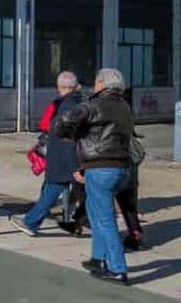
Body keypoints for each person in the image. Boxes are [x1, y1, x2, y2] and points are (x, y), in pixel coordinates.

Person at [55, 68, 134, 285]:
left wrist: (70, 136)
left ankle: (118, 268)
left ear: (101, 84)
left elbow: (63, 122)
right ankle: (98, 258)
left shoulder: (92, 104)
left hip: (100, 167)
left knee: (105, 218)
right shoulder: (124, 106)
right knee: (94, 210)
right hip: (121, 167)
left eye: (97, 82)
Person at [10, 71, 83, 235]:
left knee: (53, 189)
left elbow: (66, 139)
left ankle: (31, 222)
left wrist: (72, 166)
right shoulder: (77, 103)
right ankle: (75, 222)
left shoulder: (66, 107)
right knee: (72, 192)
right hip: (71, 157)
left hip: (64, 158)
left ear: (59, 87)